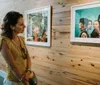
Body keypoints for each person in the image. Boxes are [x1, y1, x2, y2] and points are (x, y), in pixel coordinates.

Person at [0, 11, 34, 85]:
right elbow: (13, 66)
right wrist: (23, 80)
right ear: (12, 26)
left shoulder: (21, 39)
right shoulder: (4, 41)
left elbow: (27, 57)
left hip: (25, 77)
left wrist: (28, 71)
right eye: (21, 24)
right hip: (13, 81)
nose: (24, 26)